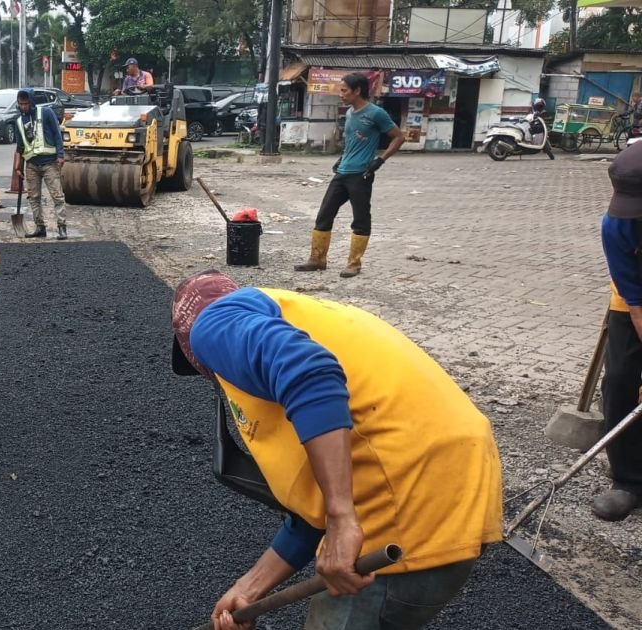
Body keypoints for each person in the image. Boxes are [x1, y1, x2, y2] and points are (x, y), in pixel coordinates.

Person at [169, 270, 503, 630]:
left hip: (406, 496)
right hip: (455, 483)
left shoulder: (214, 323)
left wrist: (342, 519)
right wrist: (249, 588)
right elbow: (312, 512)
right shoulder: (296, 321)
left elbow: (310, 372)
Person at [295, 72, 404, 278]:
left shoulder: (376, 113)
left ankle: (354, 264)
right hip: (342, 173)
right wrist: (341, 159)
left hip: (361, 174)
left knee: (360, 219)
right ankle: (317, 259)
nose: (341, 94)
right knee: (324, 215)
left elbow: (398, 137)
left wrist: (379, 161)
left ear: (357, 91)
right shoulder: (350, 113)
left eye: (344, 90)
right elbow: (351, 141)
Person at [596, 142, 642, 520]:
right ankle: (628, 480)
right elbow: (635, 299)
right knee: (622, 380)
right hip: (634, 296)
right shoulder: (618, 224)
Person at [14, 88, 67, 240]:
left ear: (31, 101)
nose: (23, 107)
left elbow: (57, 134)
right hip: (31, 165)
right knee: (34, 197)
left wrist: (61, 155)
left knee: (57, 196)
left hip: (49, 162)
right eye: (20, 104)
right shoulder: (19, 121)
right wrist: (18, 167)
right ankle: (40, 227)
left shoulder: (46, 113)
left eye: (25, 103)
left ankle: (62, 227)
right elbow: (20, 146)